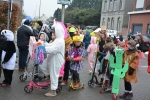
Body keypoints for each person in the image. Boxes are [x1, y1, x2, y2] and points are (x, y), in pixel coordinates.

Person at [39, 22, 65, 96]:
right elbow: (51, 45)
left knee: (54, 74)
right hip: (53, 59)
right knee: (44, 66)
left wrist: (43, 48)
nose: (53, 32)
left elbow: (53, 49)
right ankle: (50, 80)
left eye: (55, 31)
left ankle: (53, 91)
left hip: (56, 60)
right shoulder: (58, 40)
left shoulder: (60, 41)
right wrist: (43, 44)